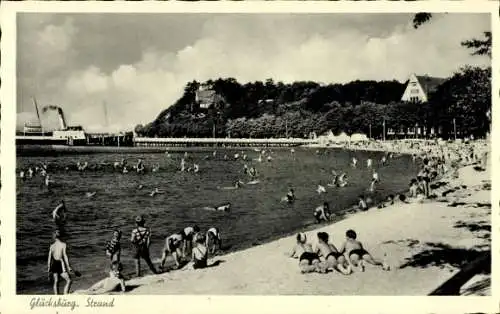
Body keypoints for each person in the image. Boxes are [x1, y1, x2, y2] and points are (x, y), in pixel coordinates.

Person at [47, 230, 73, 295]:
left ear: (54, 237)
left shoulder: (51, 246)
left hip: (54, 264)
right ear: (60, 237)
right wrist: (68, 266)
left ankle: (56, 295)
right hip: (60, 264)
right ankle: (65, 293)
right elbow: (65, 255)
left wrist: (48, 268)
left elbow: (49, 259)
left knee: (56, 281)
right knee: (68, 280)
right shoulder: (63, 244)